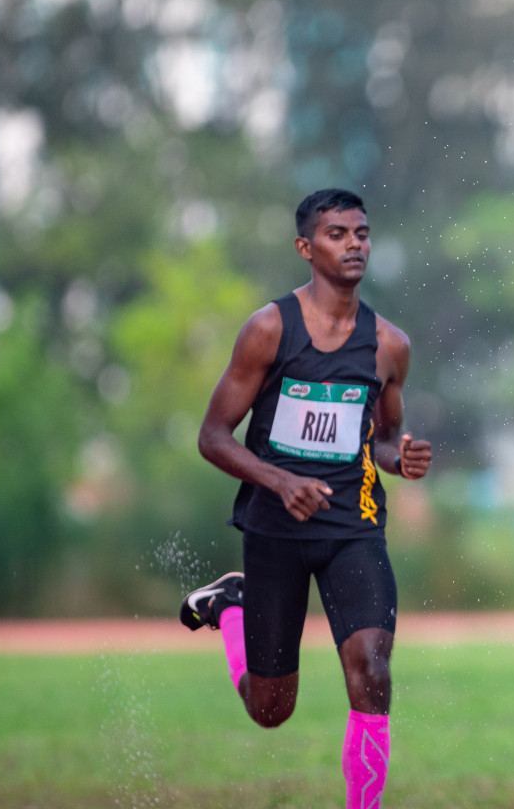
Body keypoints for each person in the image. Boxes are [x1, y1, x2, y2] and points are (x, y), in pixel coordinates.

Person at [179, 188, 431, 809]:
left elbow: (386, 439)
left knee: (372, 671)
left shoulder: (388, 345)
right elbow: (213, 437)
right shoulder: (269, 329)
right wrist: (280, 481)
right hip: (276, 530)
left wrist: (404, 458)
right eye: (338, 234)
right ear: (305, 247)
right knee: (271, 710)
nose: (354, 245)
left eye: (362, 234)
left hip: (354, 527)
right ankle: (232, 606)